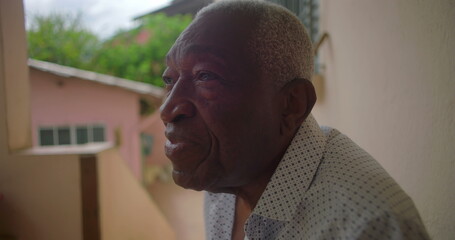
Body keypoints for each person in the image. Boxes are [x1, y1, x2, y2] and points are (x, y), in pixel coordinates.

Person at [160, 1, 430, 239]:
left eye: (206, 76)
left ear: (292, 105)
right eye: (170, 79)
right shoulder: (223, 175)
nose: (169, 109)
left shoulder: (371, 227)